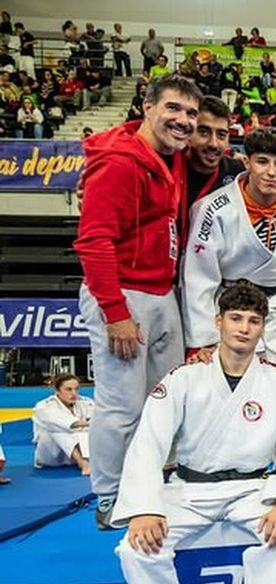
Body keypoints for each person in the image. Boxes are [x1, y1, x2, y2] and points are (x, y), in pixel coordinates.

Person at [112, 283, 276, 584]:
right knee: (135, 548)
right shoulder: (184, 377)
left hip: (251, 486)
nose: (244, 328)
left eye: (254, 321)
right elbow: (148, 442)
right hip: (188, 487)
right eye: (235, 319)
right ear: (218, 322)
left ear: (263, 328)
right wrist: (145, 509)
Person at [75, 74, 201, 529]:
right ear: (146, 107)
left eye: (190, 113)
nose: (183, 121)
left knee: (163, 400)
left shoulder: (169, 158)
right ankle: (109, 497)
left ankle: (151, 484)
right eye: (173, 109)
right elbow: (93, 241)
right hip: (125, 294)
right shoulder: (120, 163)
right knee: (121, 405)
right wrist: (115, 312)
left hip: (160, 290)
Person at [181, 127, 276, 362]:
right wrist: (202, 339)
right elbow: (198, 277)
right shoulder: (213, 209)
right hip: (233, 303)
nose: (271, 172)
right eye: (262, 162)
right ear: (246, 162)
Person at [32, 374, 94, 474]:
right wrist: (86, 424)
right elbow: (63, 423)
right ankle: (83, 463)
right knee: (56, 429)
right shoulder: (43, 406)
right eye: (68, 389)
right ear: (57, 390)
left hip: (81, 451)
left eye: (76, 389)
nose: (74, 393)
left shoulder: (87, 403)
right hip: (51, 455)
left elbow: (97, 422)